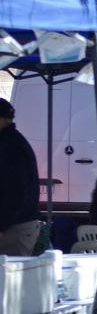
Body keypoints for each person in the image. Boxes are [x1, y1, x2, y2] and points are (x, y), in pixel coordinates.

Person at [0, 98, 40, 256]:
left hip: (15, 227)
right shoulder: (10, 141)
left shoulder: (10, 146)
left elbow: (15, 191)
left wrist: (1, 225)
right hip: (15, 224)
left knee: (8, 276)